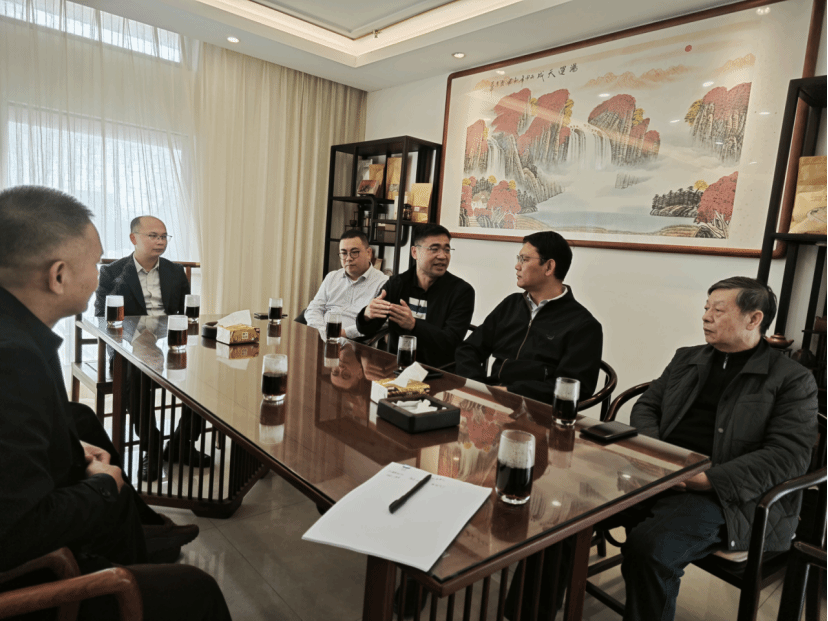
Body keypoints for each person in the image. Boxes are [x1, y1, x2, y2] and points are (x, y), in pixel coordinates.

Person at [0, 185, 232, 621]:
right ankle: (134, 552)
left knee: (83, 421)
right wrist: (104, 485)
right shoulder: (13, 360)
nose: (98, 273)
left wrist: (73, 448)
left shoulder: (16, 334)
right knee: (198, 588)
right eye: (93, 263)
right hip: (36, 581)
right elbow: (16, 530)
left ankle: (142, 534)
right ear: (58, 275)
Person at [620, 277, 818, 621]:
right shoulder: (687, 358)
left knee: (649, 548)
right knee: (569, 511)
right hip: (661, 473)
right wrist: (657, 455)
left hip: (728, 496)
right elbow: (647, 406)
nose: (706, 316)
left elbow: (788, 456)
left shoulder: (792, 379)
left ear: (754, 319)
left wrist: (707, 480)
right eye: (706, 308)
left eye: (718, 310)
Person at [94, 215, 209, 482]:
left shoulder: (174, 272)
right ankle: (152, 447)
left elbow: (184, 316)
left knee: (205, 371)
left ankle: (181, 443)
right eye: (153, 236)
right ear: (133, 238)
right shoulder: (113, 272)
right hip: (127, 347)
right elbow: (101, 317)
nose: (160, 241)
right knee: (135, 374)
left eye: (164, 236)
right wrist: (135, 341)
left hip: (168, 346)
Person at [455, 230, 602, 403]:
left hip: (537, 410)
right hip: (491, 401)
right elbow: (469, 349)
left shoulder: (583, 325)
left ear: (549, 267)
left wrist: (510, 392)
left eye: (524, 259)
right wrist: (478, 386)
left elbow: (573, 387)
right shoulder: (511, 304)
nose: (517, 266)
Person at [356, 223, 474, 368]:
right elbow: (366, 330)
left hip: (438, 371)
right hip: (396, 368)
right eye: (434, 249)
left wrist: (414, 325)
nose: (442, 256)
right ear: (414, 252)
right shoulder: (397, 284)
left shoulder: (462, 292)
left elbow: (451, 342)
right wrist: (367, 315)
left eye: (447, 250)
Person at [305, 229, 388, 340]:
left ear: (369, 253)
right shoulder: (332, 277)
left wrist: (343, 333)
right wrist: (323, 331)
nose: (348, 258)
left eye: (354, 252)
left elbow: (383, 322)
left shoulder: (383, 283)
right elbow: (314, 309)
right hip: (322, 337)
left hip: (354, 343)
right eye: (344, 253)